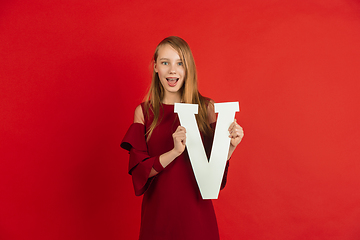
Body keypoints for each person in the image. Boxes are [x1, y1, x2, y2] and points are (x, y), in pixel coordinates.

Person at [121, 36, 244, 240]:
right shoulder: (144, 112)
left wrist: (230, 147)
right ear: (155, 67)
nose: (172, 70)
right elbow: (141, 172)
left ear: (188, 68)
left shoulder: (207, 108)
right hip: (158, 218)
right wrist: (174, 152)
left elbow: (213, 176)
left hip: (197, 218)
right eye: (165, 62)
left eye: (180, 63)